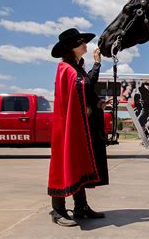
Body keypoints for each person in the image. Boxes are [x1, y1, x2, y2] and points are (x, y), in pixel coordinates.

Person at [48, 28, 109, 227]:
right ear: (70, 48)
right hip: (67, 127)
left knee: (78, 164)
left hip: (78, 125)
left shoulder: (76, 67)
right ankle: (57, 210)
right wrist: (97, 64)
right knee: (64, 163)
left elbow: (85, 91)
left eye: (83, 41)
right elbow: (84, 85)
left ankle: (81, 207)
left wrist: (96, 102)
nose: (84, 44)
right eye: (79, 42)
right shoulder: (66, 68)